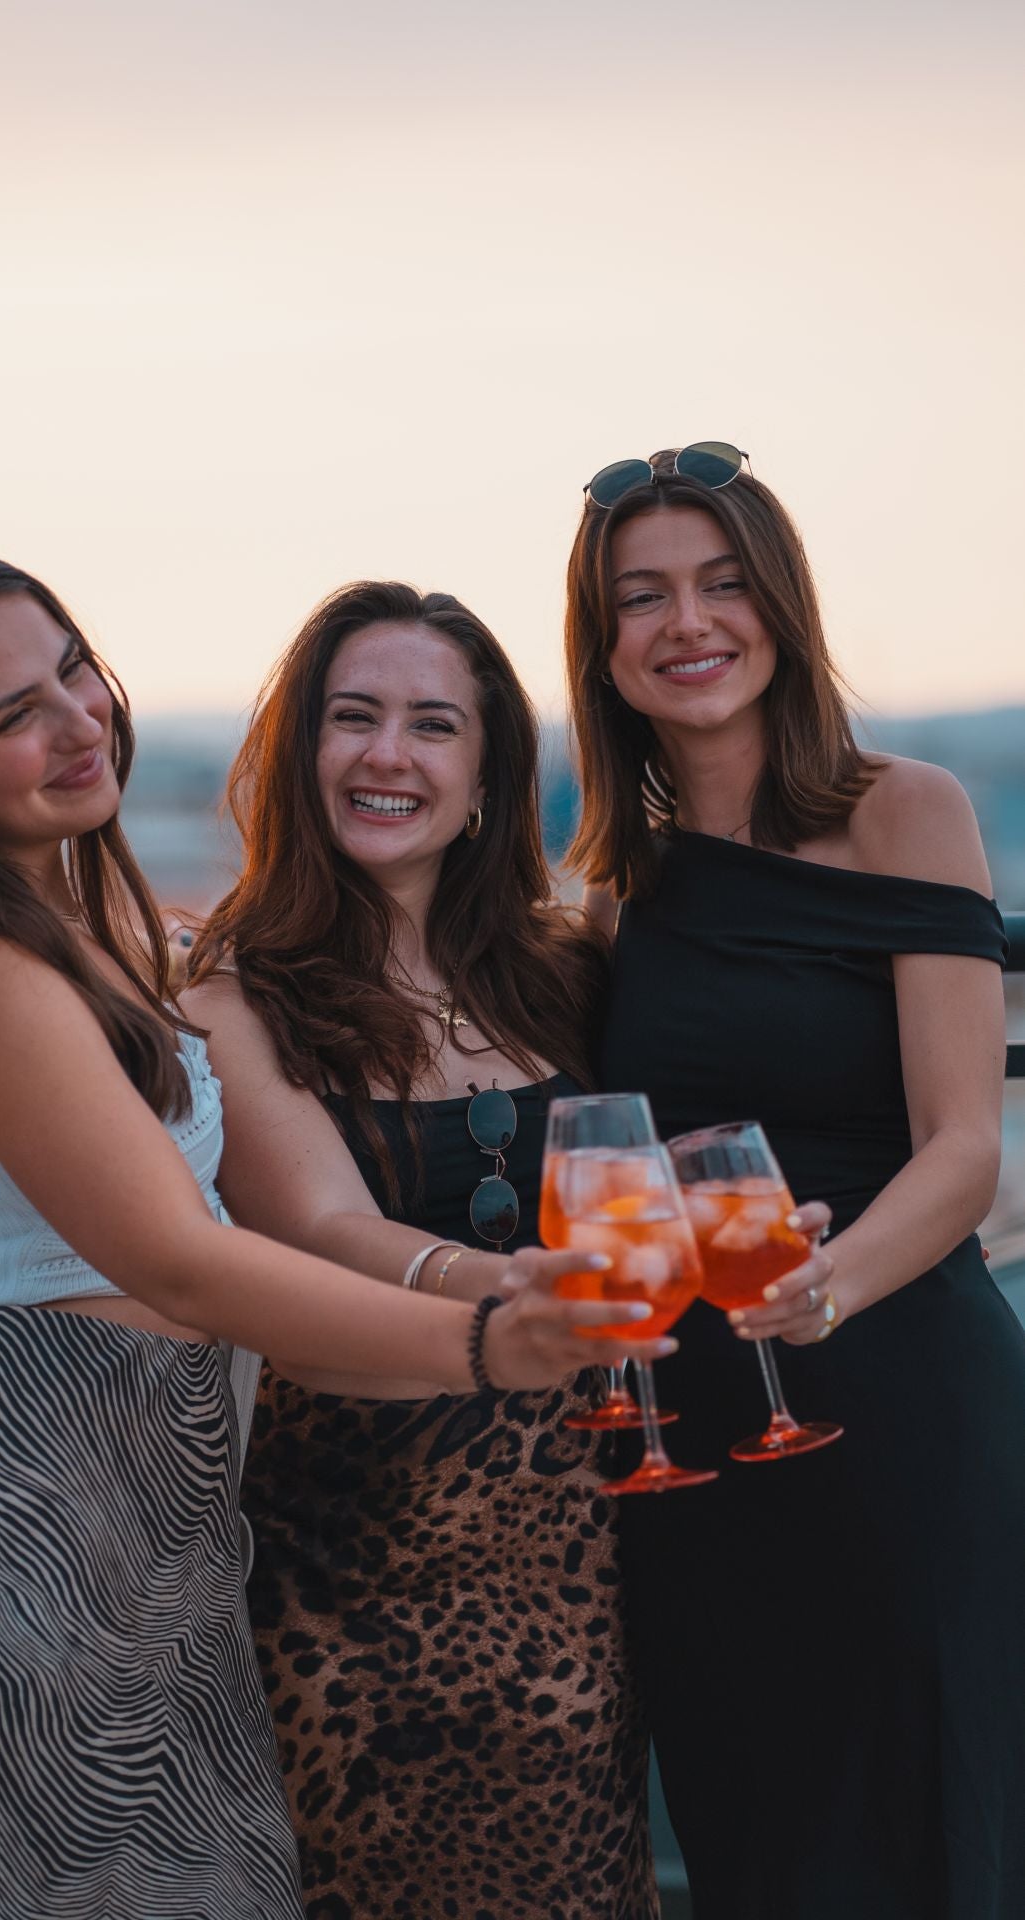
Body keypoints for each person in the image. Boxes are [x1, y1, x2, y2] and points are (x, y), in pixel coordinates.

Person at [0, 522, 650, 1920]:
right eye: (15, 715)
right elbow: (186, 1264)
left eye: (77, 673)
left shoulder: (94, 935)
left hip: (143, 1570)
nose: (79, 724)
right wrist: (495, 1340)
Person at [185, 579, 768, 1919]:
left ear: (489, 777)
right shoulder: (232, 995)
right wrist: (510, 1286)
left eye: (433, 725)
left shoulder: (567, 967)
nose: (389, 754)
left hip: (582, 1546)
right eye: (353, 717)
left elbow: (661, 1154)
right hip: (357, 1561)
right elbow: (322, 1225)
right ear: (301, 753)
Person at [564, 445, 1025, 1920]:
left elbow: (962, 1147)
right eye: (640, 598)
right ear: (605, 649)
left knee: (936, 1820)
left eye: (719, 584)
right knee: (761, 1835)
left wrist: (828, 1286)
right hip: (696, 1439)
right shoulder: (614, 880)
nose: (685, 623)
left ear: (778, 607)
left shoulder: (906, 808)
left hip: (896, 1394)